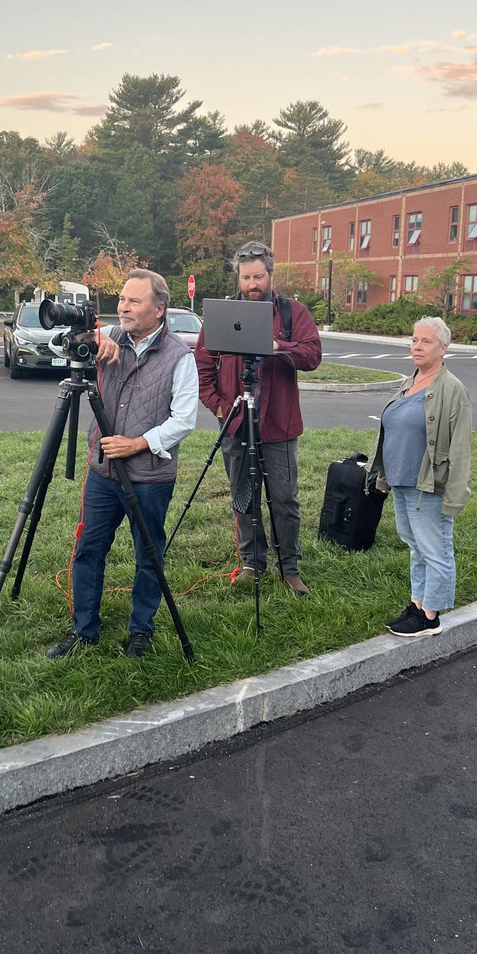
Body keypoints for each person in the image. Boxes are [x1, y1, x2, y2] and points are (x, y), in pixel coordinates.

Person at [46, 270, 198, 660]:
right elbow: (60, 342)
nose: (123, 307)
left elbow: (184, 419)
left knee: (148, 554)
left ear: (159, 308)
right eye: (122, 299)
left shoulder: (180, 356)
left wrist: (138, 444)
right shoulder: (110, 338)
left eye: (134, 300)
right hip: (103, 472)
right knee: (88, 548)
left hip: (149, 476)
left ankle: (140, 631)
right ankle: (85, 631)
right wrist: (91, 337)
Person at [195, 241, 322, 595]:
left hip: (279, 425)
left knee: (284, 499)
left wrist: (280, 347)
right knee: (243, 497)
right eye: (246, 276)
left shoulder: (292, 312)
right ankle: (252, 562)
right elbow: (202, 364)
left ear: (270, 273)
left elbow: (313, 356)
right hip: (235, 423)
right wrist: (219, 406)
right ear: (238, 276)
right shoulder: (222, 314)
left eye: (258, 276)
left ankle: (290, 568)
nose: (252, 284)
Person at [366, 316, 472, 638]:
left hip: (428, 485)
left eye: (425, 341)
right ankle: (417, 603)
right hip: (401, 480)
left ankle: (430, 616)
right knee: (415, 546)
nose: (417, 345)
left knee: (435, 548)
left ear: (443, 348)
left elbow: (460, 447)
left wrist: (454, 496)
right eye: (414, 339)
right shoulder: (411, 381)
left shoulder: (452, 389)